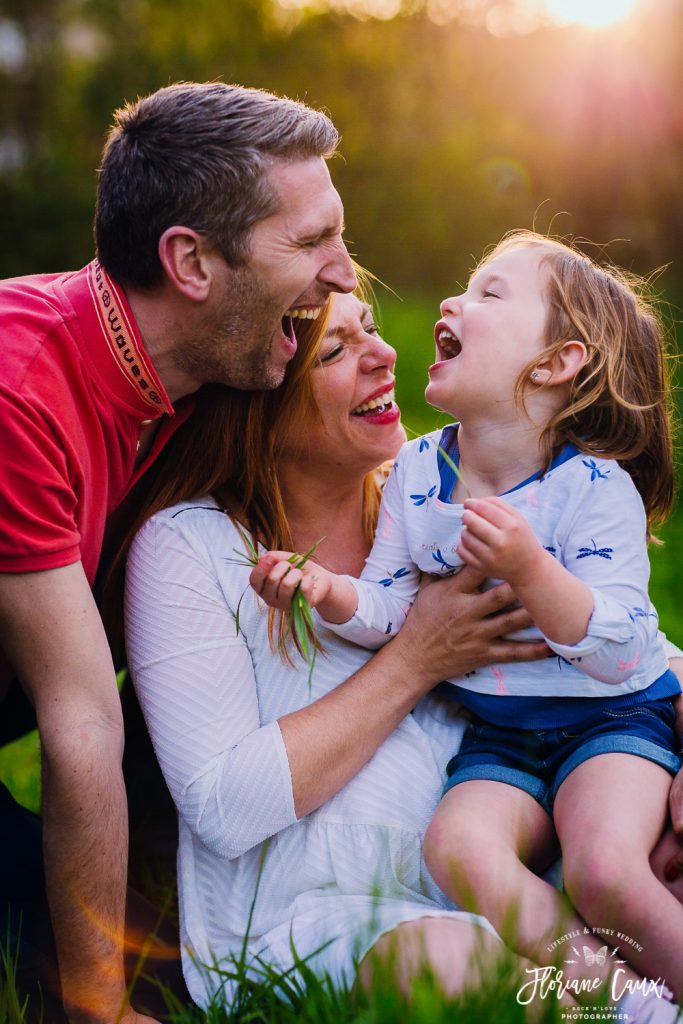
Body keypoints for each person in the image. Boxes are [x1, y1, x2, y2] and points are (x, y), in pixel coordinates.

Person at [0, 80, 357, 1024]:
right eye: (313, 241)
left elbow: (417, 517)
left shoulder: (212, 371)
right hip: (47, 712)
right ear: (191, 262)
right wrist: (100, 1009)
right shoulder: (19, 393)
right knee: (114, 976)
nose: (345, 274)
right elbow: (80, 726)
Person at [252, 232, 683, 1014]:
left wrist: (532, 570)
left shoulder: (592, 486)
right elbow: (392, 609)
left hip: (610, 719)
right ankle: (621, 1000)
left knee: (605, 871)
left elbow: (623, 648)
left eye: (489, 295)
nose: (452, 302)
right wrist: (329, 591)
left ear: (554, 364)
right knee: (455, 849)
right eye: (465, 285)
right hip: (500, 734)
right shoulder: (418, 473)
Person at [123, 288, 564, 1011]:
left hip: (503, 875)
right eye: (335, 350)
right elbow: (224, 804)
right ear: (259, 403)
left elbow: (608, 630)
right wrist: (417, 656)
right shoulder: (193, 547)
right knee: (454, 963)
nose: (384, 356)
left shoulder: (439, 511)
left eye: (372, 331)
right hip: (307, 919)